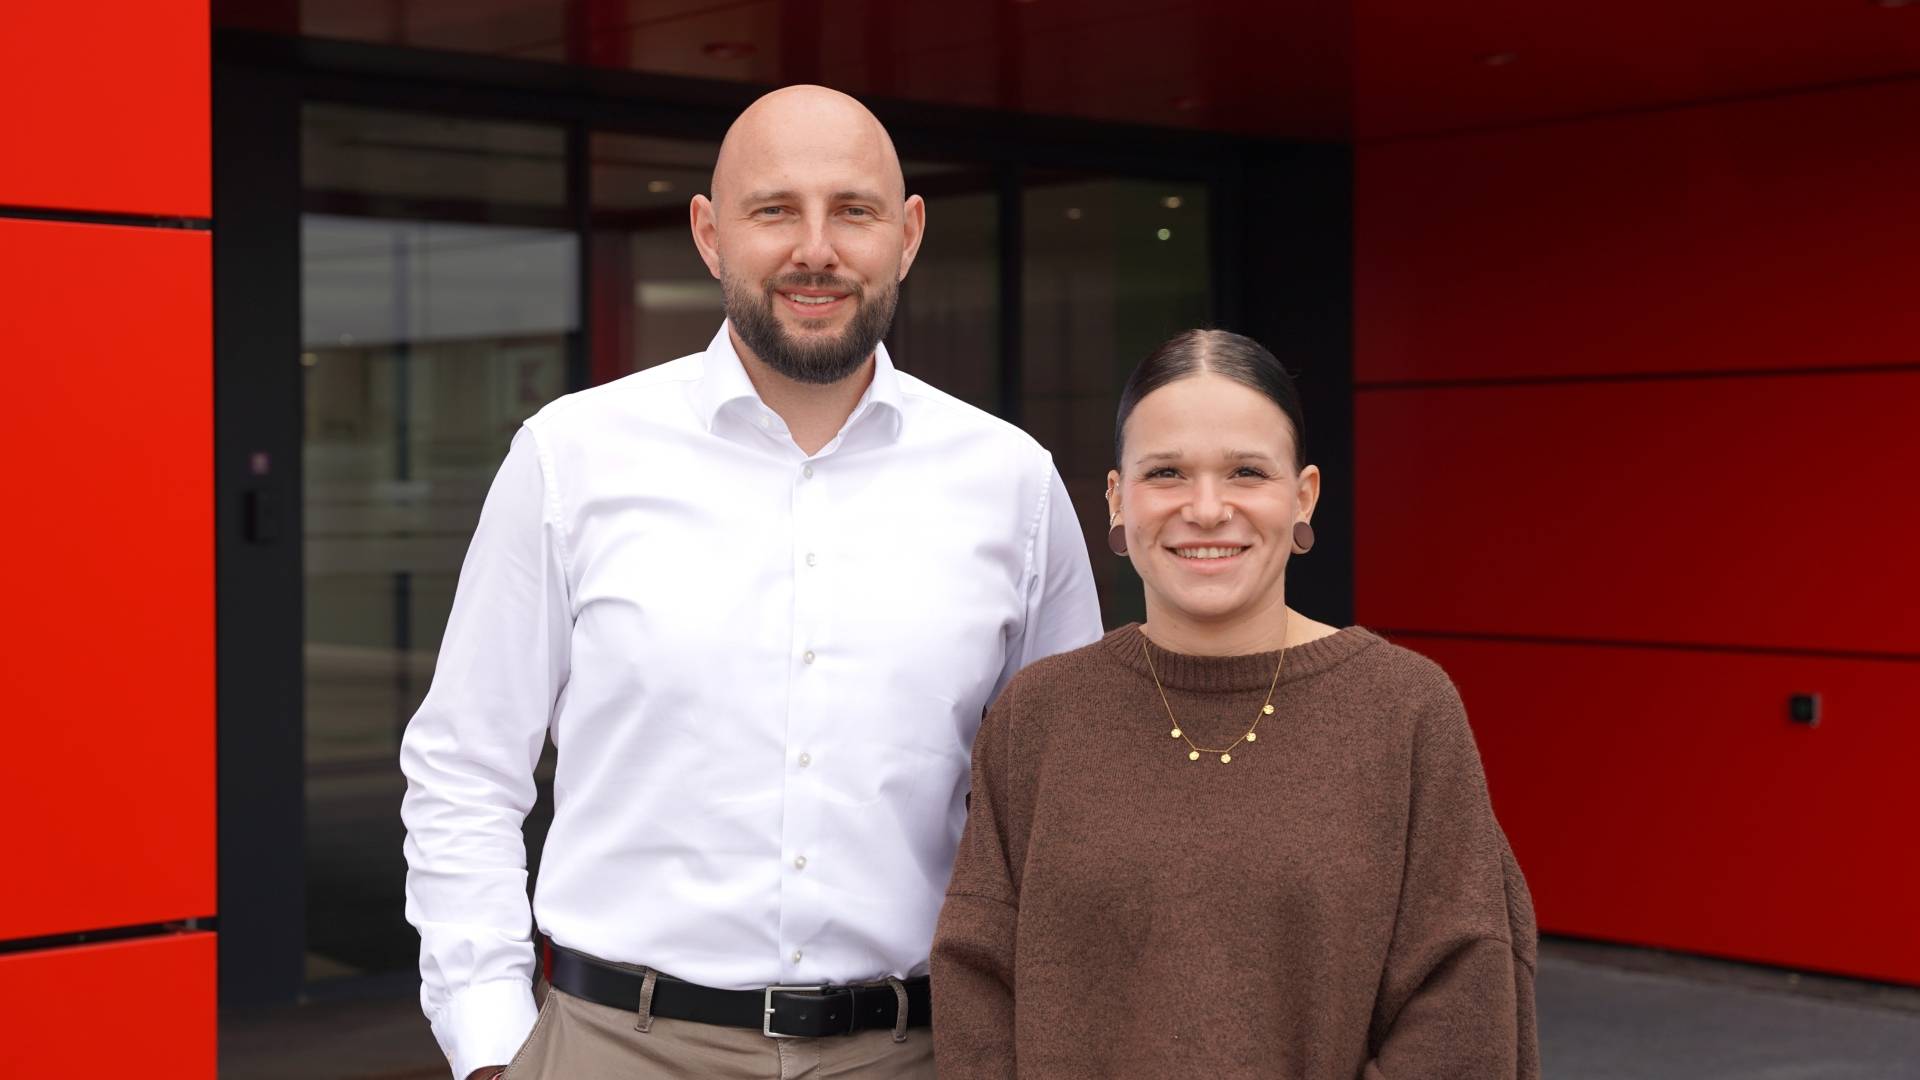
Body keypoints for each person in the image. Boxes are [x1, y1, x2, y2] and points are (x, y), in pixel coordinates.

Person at [400, 85, 1102, 1080]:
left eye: (852, 211)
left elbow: (1069, 807)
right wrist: (490, 1044)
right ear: (709, 233)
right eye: (775, 209)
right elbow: (465, 767)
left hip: (918, 1053)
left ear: (906, 236)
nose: (815, 248)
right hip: (615, 1049)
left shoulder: (1013, 485)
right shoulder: (572, 457)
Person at [931, 329, 1539, 1078]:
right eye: (1168, 473)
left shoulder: (1404, 711)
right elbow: (977, 988)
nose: (1207, 509)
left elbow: (1463, 1010)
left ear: (1303, 495)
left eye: (1247, 471)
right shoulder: (1040, 715)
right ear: (1118, 501)